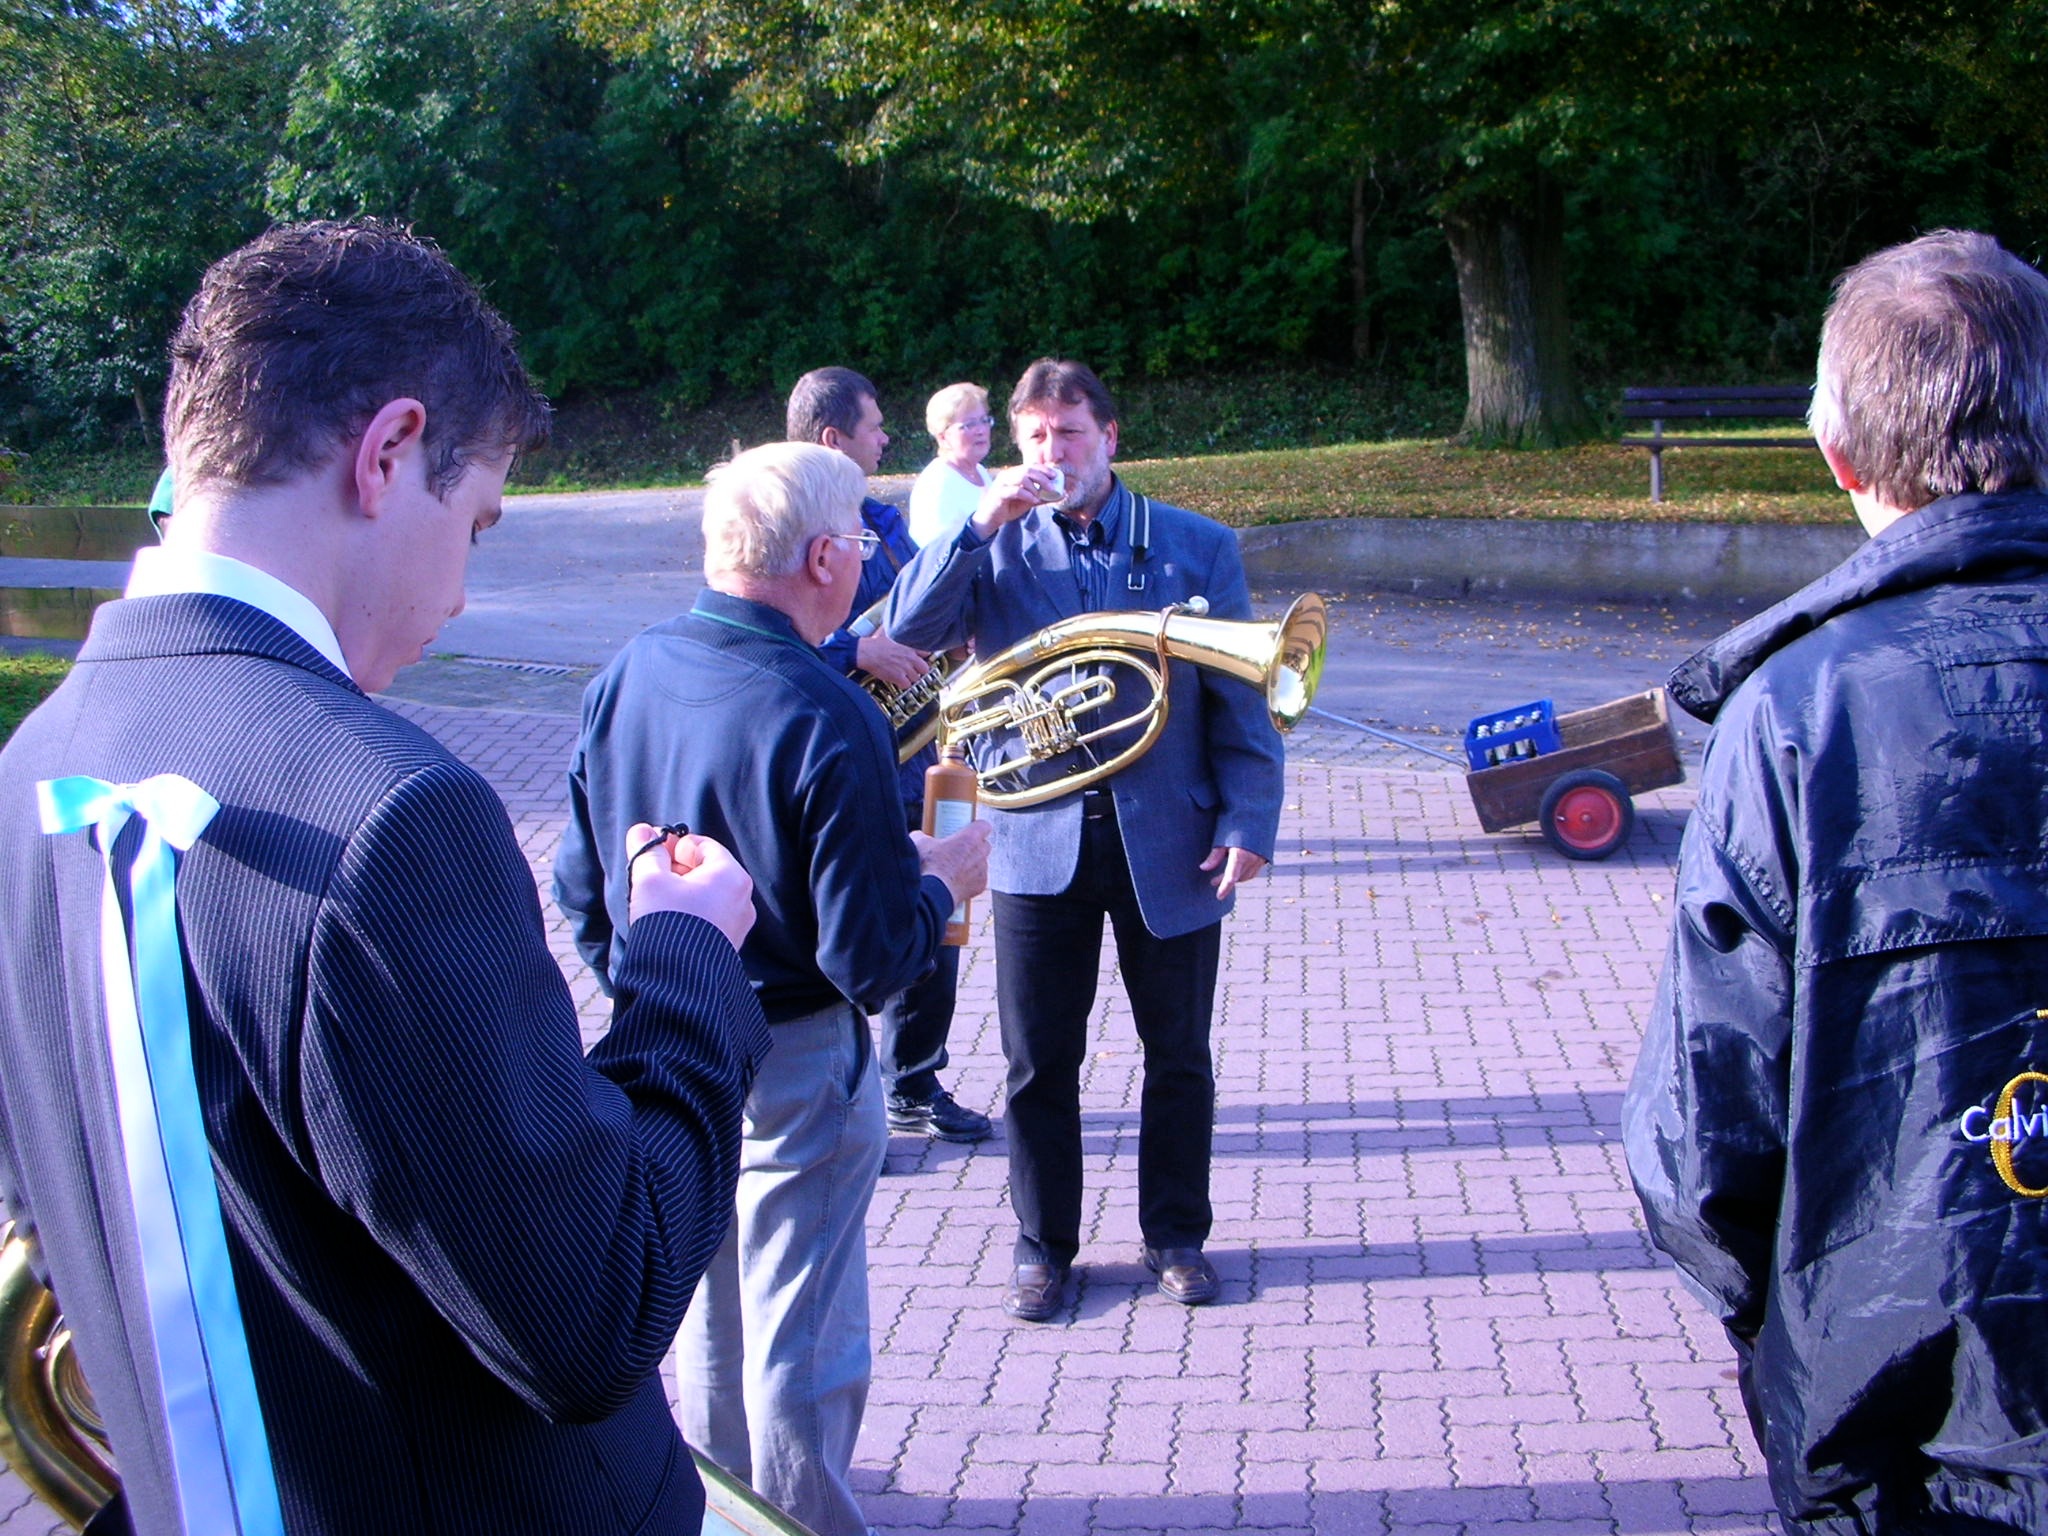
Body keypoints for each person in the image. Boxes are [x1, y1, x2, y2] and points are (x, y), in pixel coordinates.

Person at [0, 220, 771, 1535]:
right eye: (474, 523)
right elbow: (595, 1313)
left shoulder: (29, 766)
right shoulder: (391, 814)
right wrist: (687, 960)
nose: (460, 594)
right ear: (389, 451)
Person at [1624, 229, 2048, 1535]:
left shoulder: (1794, 711)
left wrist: (1790, 1323)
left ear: (1838, 453)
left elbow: (1704, 1132)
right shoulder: (1792, 708)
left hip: (1894, 1409)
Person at [553, 440, 991, 1536]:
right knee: (801, 1333)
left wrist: (648, 988)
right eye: (863, 545)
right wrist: (939, 880)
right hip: (796, 1052)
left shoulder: (628, 671)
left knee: (710, 1310)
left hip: (666, 1031)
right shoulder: (826, 711)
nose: (871, 565)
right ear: (826, 557)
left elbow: (581, 887)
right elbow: (871, 961)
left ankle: (724, 1515)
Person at [886, 358, 1286, 1323]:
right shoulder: (993, 543)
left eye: (1068, 433)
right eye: (1034, 436)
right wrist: (978, 528)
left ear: (1109, 437)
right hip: (1034, 840)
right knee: (1037, 1063)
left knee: (1179, 1054)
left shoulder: (1195, 545)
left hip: (1173, 837)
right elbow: (909, 629)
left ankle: (1176, 1236)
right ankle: (1043, 1248)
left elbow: (1242, 704)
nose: (1051, 453)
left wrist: (1248, 820)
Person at [793, 366, 993, 1144]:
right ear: (833, 437)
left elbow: (926, 599)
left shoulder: (880, 517)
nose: (886, 438)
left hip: (921, 754)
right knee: (842, 932)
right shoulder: (782, 518)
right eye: (874, 426)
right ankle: (843, 1108)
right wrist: (856, 649)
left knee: (938, 918)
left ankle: (914, 1082)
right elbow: (761, 636)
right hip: (840, 765)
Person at [908, 382, 995, 547]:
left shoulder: (980, 471)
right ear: (943, 437)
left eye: (984, 420)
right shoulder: (937, 483)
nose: (981, 430)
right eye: (970, 424)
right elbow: (935, 552)